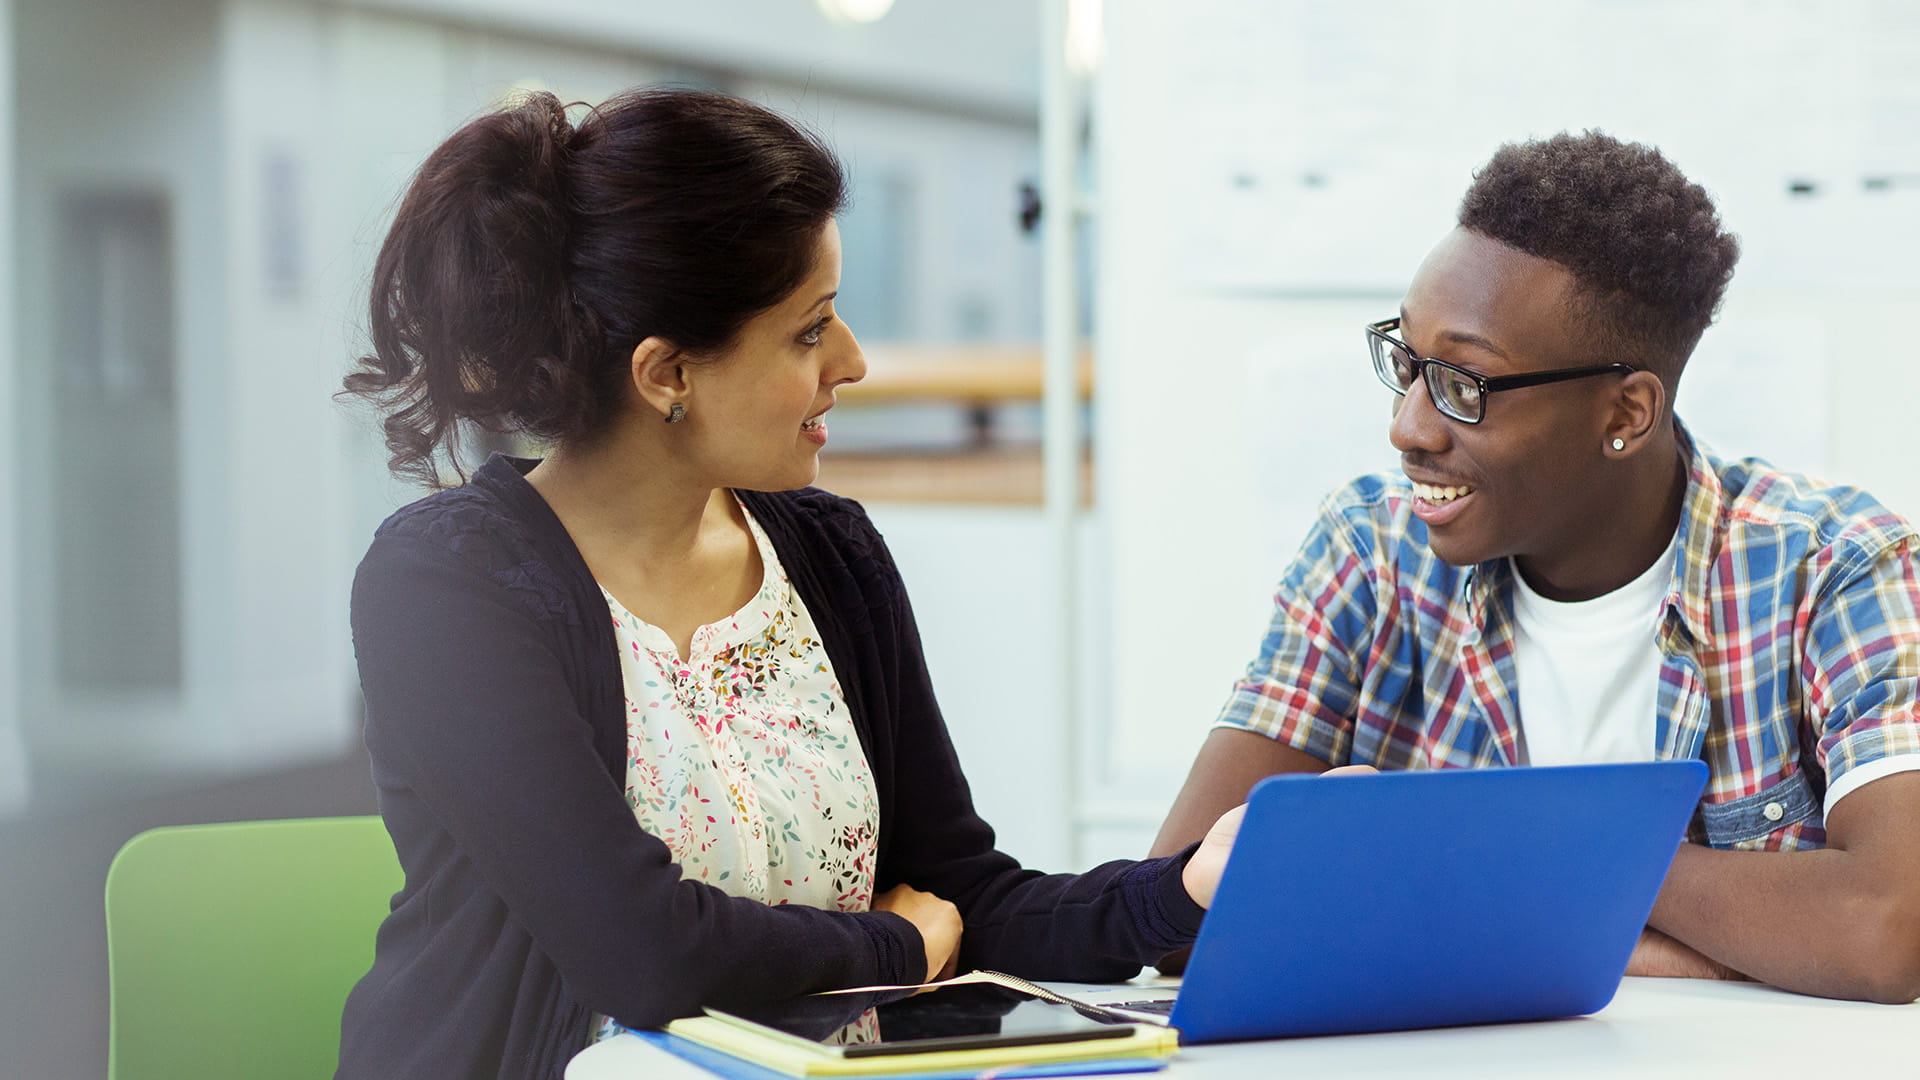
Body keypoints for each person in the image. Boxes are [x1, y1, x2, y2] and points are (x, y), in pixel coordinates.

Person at [335, 87, 1257, 1080]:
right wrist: (897, 949)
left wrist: (1186, 885)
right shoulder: (448, 586)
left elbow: (960, 899)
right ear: (666, 374)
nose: (853, 362)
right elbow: (642, 953)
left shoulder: (831, 554)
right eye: (810, 329)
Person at [1150, 131, 1920, 1004]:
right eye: (1407, 363)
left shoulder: (1837, 568)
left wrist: (1524, 861)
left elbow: (1888, 927)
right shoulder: (1370, 551)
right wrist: (1650, 937)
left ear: (1625, 412)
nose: (1409, 428)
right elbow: (1180, 908)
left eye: (1466, 386)